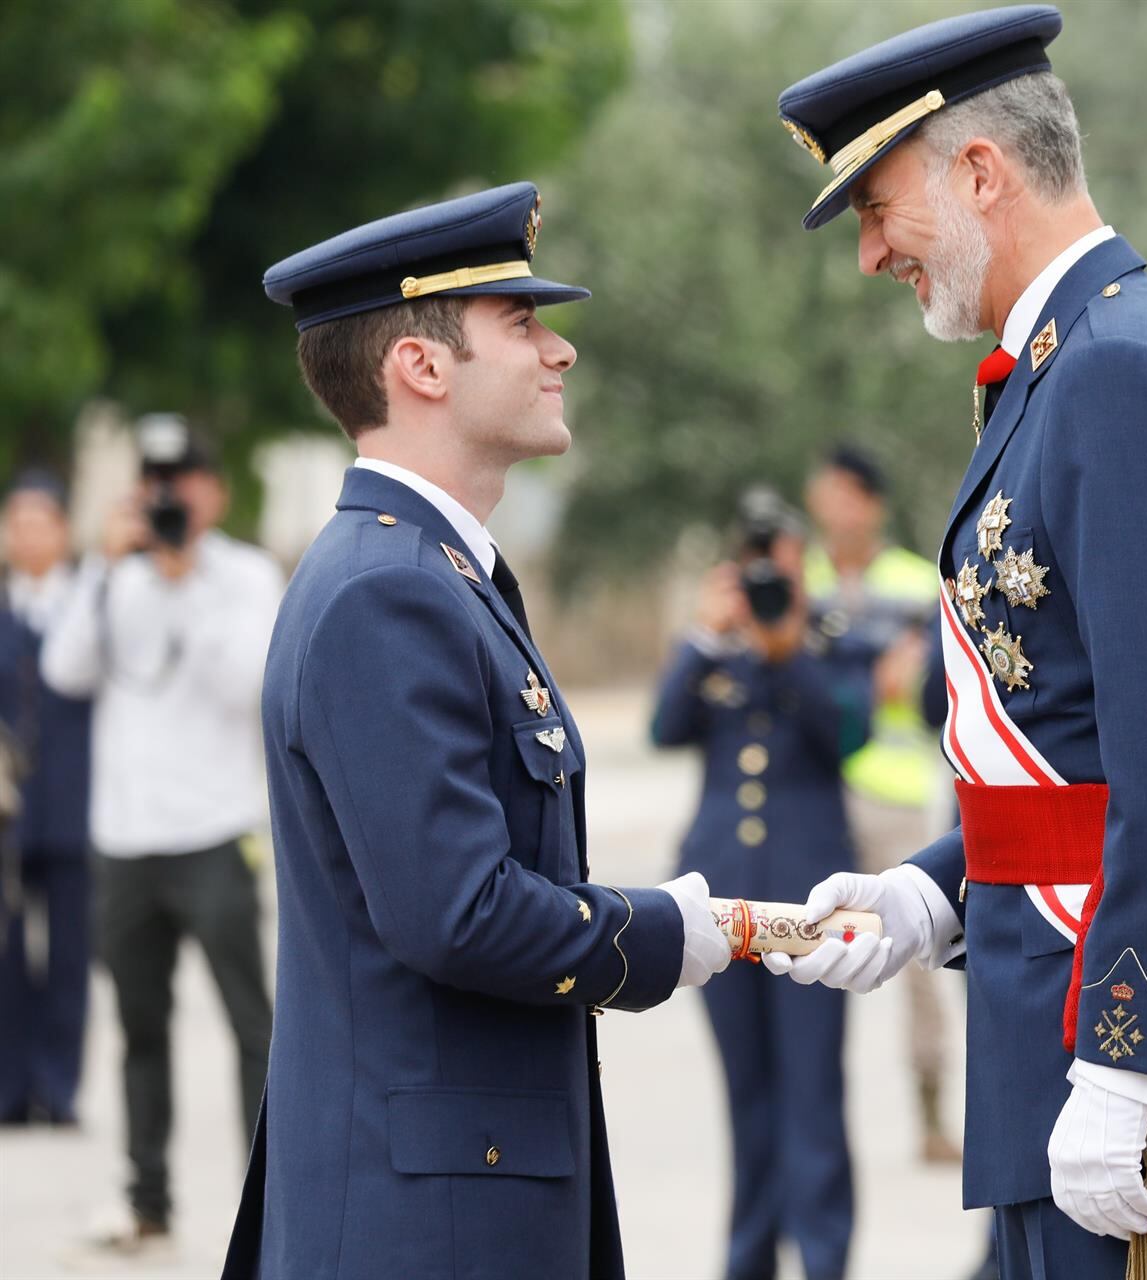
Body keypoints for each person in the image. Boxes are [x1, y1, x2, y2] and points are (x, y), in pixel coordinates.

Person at [765, 9, 1147, 1277]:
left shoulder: (1119, 371)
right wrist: (933, 889)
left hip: (1130, 1068)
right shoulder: (1078, 362)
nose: (868, 255)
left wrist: (1128, 1058)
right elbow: (1071, 743)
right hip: (1048, 1014)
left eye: (877, 206)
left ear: (978, 172)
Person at [226, 182, 732, 1279]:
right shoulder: (388, 594)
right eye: (523, 323)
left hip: (457, 1193)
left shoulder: (437, 576)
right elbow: (456, 910)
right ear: (422, 365)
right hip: (427, 1221)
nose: (561, 353)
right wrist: (661, 936)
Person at [39, 418, 280, 1261]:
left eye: (183, 481)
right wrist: (106, 569)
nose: (170, 498)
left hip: (213, 832)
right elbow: (65, 671)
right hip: (125, 839)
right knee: (141, 1028)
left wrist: (185, 583)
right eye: (156, 483)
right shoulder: (114, 578)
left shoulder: (245, 577)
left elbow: (247, 685)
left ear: (213, 489)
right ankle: (147, 1201)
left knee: (251, 1026)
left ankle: (271, 1202)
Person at [652, 489, 870, 1280]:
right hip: (721, 900)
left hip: (809, 902)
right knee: (747, 1097)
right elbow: (663, 727)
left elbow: (847, 733)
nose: (768, 579)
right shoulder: (718, 649)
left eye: (781, 562)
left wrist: (789, 648)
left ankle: (823, 1259)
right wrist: (705, 635)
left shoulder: (830, 642)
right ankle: (747, 1260)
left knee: (812, 1094)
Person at [801, 443, 959, 1162]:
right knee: (809, 949)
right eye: (821, 493)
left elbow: (931, 691)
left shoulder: (911, 582)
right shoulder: (800, 582)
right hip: (825, 794)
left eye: (842, 494)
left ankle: (930, 1114)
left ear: (872, 502)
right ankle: (816, 1117)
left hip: (897, 796)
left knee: (919, 962)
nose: (830, 508)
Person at [0, 472, 93, 1129]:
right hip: (7, 811)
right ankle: (8, 1087)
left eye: (41, 522)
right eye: (17, 522)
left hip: (71, 803)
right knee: (5, 954)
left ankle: (58, 1087)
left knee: (68, 956)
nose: (28, 535)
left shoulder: (87, 603)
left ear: (63, 531)